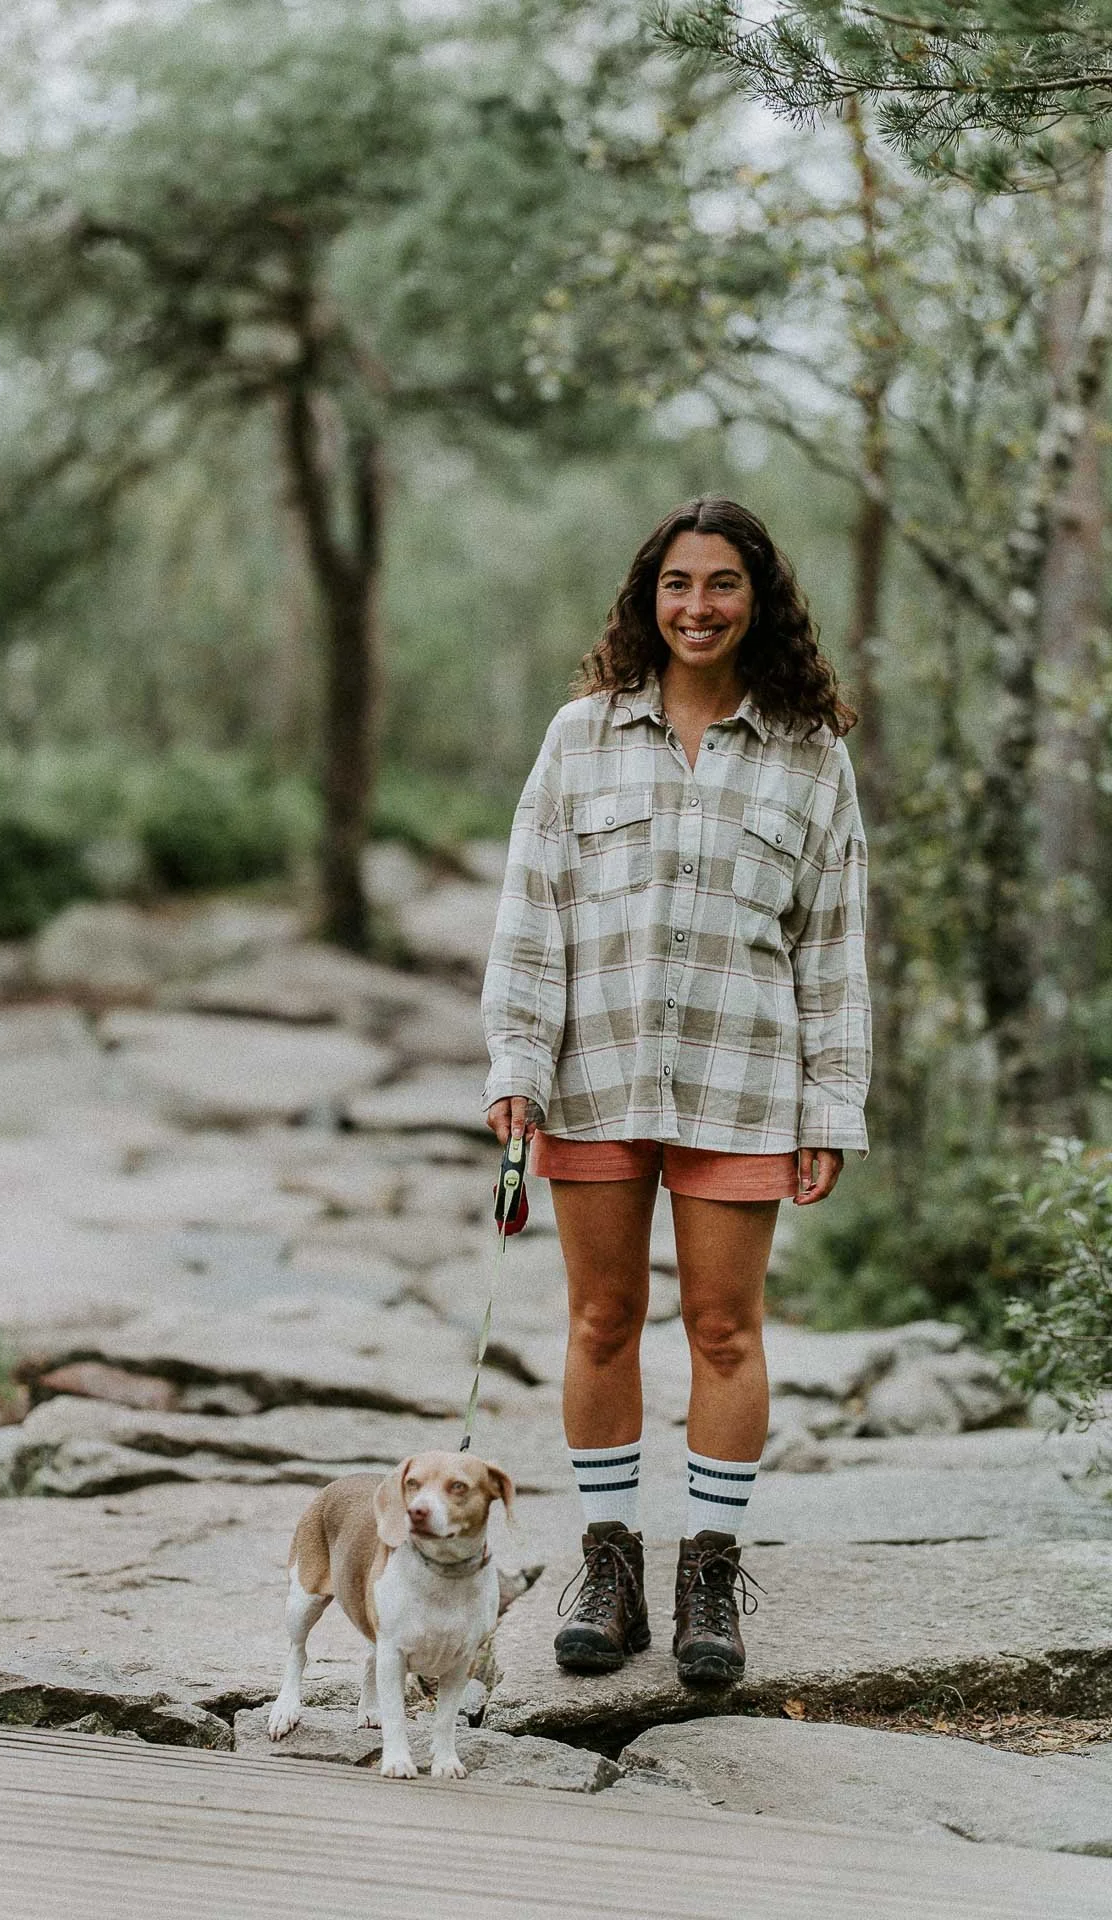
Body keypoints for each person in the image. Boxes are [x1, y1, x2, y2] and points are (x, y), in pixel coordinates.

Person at [481, 497, 870, 1689]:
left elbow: (831, 941)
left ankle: (709, 1576)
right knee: (601, 1320)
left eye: (721, 584)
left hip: (741, 1079)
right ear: (646, 599)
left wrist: (829, 1101)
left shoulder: (808, 754)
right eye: (676, 584)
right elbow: (531, 910)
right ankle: (608, 1570)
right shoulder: (580, 736)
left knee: (722, 1329)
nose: (696, 607)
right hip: (593, 1075)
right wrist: (516, 1063)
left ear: (759, 601)